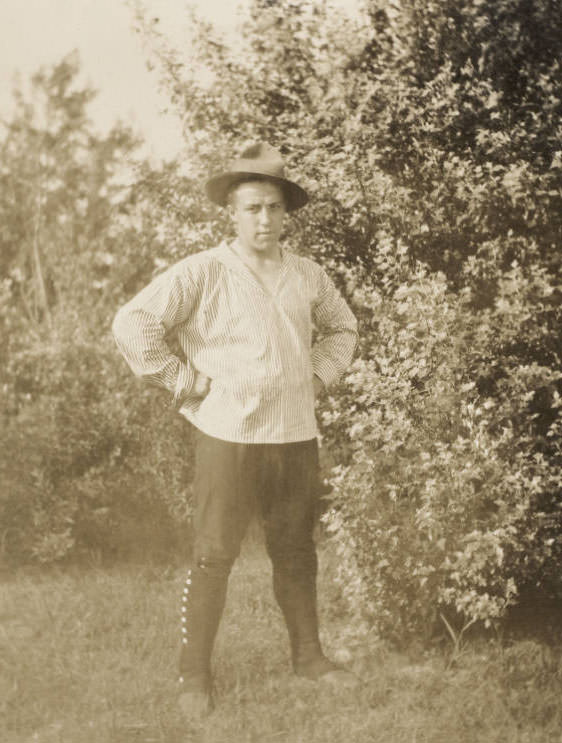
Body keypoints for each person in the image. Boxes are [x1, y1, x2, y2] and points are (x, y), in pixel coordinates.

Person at [112, 143, 359, 719]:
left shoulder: (307, 274)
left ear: (286, 212)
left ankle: (310, 658)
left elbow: (343, 328)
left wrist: (317, 378)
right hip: (229, 436)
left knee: (296, 551)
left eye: (274, 207)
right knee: (215, 555)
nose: (265, 219)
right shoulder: (203, 271)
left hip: (296, 436)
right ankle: (193, 677)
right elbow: (134, 322)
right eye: (252, 208)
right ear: (231, 210)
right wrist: (182, 379)